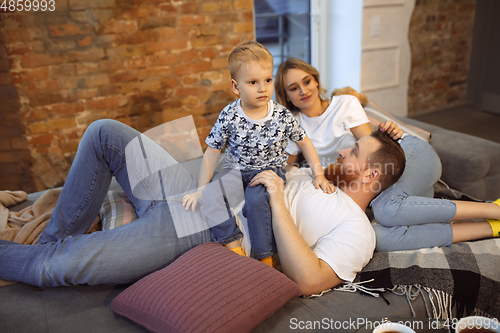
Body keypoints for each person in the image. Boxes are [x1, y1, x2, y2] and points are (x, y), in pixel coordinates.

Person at [0, 119, 405, 295]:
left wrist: (279, 203)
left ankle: (45, 253)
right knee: (104, 134)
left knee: (59, 267)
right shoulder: (321, 176)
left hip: (201, 231)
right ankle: (52, 238)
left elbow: (310, 282)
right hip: (199, 190)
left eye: (353, 151)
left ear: (371, 177)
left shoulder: (356, 229)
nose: (344, 151)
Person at [275, 57, 500, 252]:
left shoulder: (344, 104)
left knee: (387, 210)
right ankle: (490, 227)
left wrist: (389, 131)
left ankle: (493, 209)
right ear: (286, 96)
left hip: (404, 156)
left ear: (316, 80)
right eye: (294, 88)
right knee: (377, 239)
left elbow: (374, 150)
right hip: (369, 184)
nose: (303, 91)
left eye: (306, 82)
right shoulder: (293, 124)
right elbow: (288, 167)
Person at [181, 41, 333, 267]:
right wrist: (201, 189)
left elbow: (305, 143)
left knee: (256, 201)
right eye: (253, 82)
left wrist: (318, 174)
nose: (263, 88)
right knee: (211, 196)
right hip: (234, 171)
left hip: (268, 172)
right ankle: (233, 248)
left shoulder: (281, 115)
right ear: (236, 87)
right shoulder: (229, 115)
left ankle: (265, 259)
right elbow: (212, 152)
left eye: (268, 81)